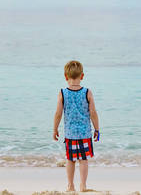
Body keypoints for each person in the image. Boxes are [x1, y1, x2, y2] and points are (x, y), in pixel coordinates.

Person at [53, 60, 100, 192]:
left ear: (66, 77)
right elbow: (93, 113)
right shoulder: (87, 92)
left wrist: (55, 129)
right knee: (83, 160)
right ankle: (83, 185)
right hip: (85, 133)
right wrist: (97, 129)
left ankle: (70, 185)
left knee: (70, 160)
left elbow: (58, 113)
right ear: (82, 76)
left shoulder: (63, 93)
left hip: (70, 133)